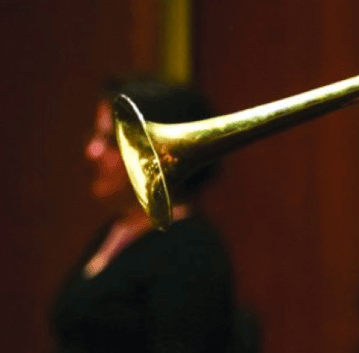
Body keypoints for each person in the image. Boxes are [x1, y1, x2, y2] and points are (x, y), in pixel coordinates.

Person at [50, 77, 239, 353]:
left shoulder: (191, 250)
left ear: (159, 154)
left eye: (112, 141)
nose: (92, 151)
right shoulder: (116, 229)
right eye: (96, 136)